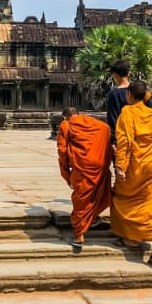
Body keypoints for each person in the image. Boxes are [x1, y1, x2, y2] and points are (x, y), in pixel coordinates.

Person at [111, 80, 152, 264]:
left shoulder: (127, 113)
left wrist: (120, 165)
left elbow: (125, 142)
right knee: (150, 203)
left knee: (123, 199)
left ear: (129, 95)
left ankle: (132, 238)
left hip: (134, 167)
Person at [56, 107, 112, 250]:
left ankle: (79, 236)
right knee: (98, 195)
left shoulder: (66, 125)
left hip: (82, 167)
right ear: (78, 114)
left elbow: (62, 151)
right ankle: (91, 218)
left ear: (64, 117)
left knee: (81, 199)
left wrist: (66, 173)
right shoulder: (96, 124)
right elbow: (107, 130)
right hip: (99, 166)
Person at [106, 60, 152, 144]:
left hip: (125, 136)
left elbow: (113, 119)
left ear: (114, 75)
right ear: (129, 73)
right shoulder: (139, 89)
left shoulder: (114, 94)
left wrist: (113, 141)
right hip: (144, 135)